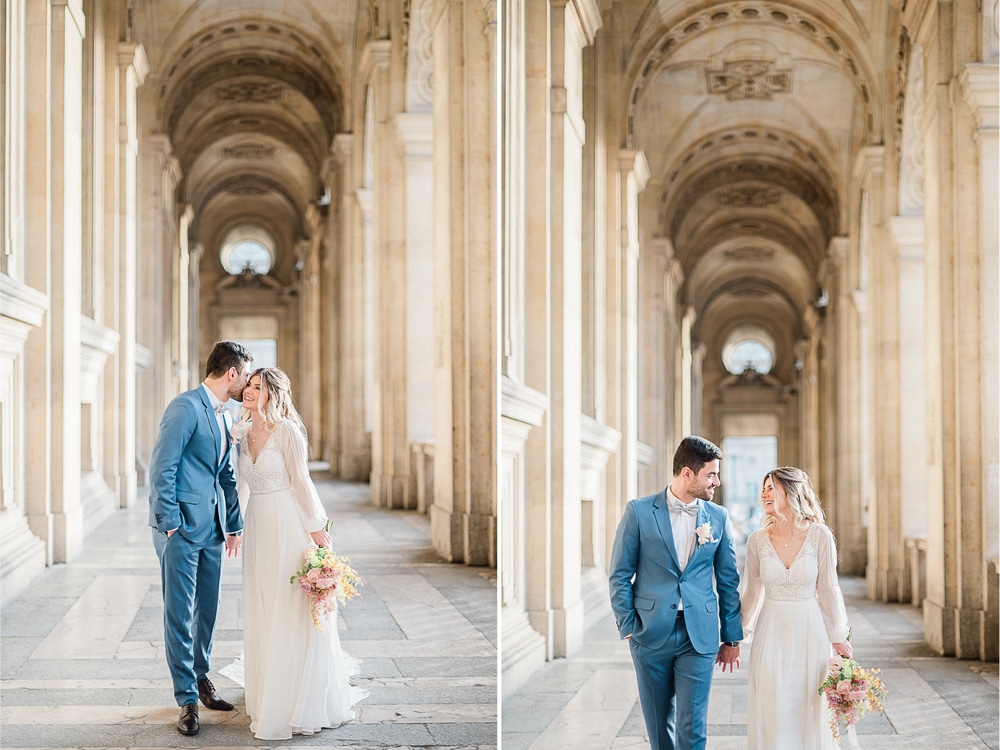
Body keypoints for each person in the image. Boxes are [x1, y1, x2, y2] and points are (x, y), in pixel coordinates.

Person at [235, 367, 365, 740]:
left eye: (258, 387)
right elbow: (243, 483)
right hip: (259, 524)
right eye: (249, 385)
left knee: (289, 605)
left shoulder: (287, 431)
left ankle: (297, 699)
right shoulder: (243, 432)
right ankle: (269, 690)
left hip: (288, 524)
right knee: (264, 604)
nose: (248, 391)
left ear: (273, 394)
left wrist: (317, 529)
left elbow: (301, 481)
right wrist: (236, 527)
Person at [609, 436, 743, 750]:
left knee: (692, 726)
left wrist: (732, 638)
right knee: (658, 726)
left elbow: (727, 582)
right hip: (650, 633)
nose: (717, 482)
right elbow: (619, 575)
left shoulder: (719, 517)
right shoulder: (639, 512)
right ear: (686, 473)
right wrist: (629, 627)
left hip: (699, 635)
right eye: (711, 474)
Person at [148, 340, 253, 736]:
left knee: (207, 608)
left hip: (211, 531)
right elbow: (163, 467)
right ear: (231, 373)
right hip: (180, 529)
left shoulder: (226, 416)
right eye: (245, 375)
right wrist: (169, 521)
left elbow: (225, 475)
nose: (246, 382)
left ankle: (202, 676)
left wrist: (234, 525)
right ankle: (187, 699)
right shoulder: (185, 407)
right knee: (179, 612)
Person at [739, 467, 852, 749]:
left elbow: (828, 588)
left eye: (771, 487)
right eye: (763, 488)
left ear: (791, 492)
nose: (764, 493)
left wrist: (838, 635)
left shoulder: (820, 536)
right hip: (771, 630)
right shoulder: (757, 540)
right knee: (772, 703)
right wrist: (735, 635)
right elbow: (752, 592)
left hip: (809, 630)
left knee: (808, 705)